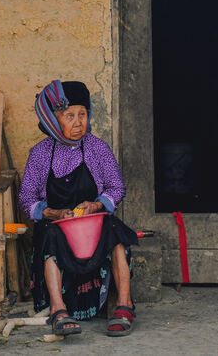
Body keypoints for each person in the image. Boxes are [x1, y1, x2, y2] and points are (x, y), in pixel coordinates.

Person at [19, 80, 139, 337]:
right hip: (58, 228)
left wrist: (97, 205)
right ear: (53, 120)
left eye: (82, 114)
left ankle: (124, 305)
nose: (78, 122)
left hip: (91, 228)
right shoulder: (40, 154)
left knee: (114, 228)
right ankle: (58, 309)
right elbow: (26, 198)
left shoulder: (97, 148)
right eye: (69, 116)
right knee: (49, 233)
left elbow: (117, 188)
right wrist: (52, 213)